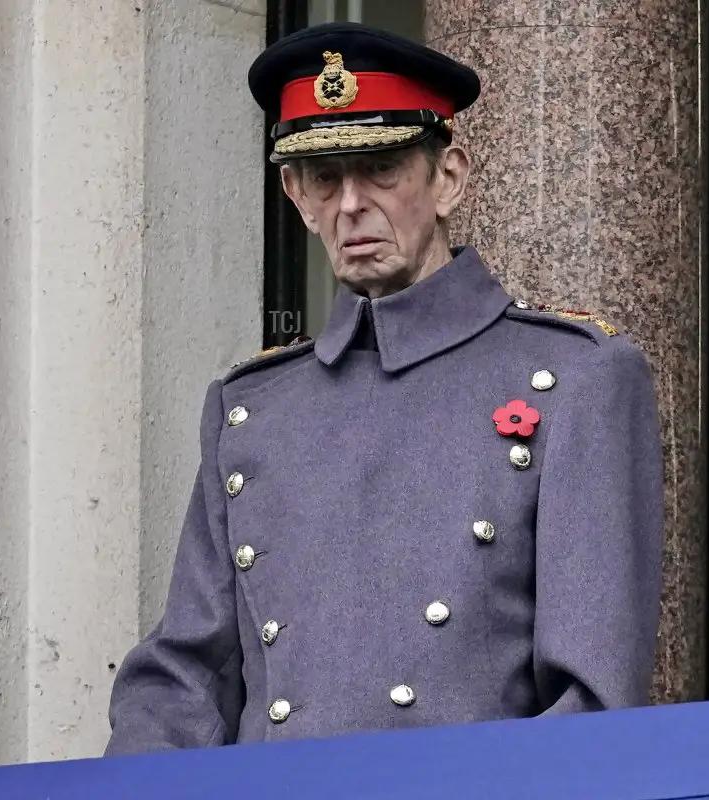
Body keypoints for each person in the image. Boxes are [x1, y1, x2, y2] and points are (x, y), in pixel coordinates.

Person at [104, 21, 665, 756]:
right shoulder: (251, 409)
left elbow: (592, 706)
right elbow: (181, 682)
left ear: (449, 177)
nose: (350, 206)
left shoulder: (578, 379)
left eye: (381, 169)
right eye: (325, 178)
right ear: (294, 195)